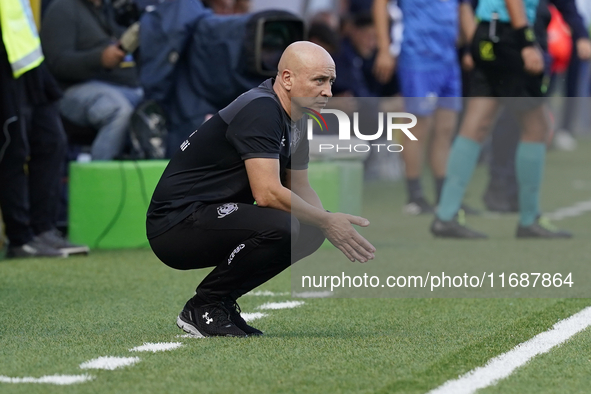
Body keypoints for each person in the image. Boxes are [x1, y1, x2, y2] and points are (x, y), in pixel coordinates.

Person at [147, 42, 376, 337]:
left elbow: (299, 186)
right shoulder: (261, 108)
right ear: (288, 79)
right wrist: (326, 220)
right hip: (175, 224)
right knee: (285, 225)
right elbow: (267, 193)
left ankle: (221, 303)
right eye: (319, 80)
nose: (328, 91)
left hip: (207, 216)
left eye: (330, 81)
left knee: (310, 227)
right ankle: (203, 305)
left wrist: (328, 223)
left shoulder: (298, 118)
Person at [430, 0, 572, 239]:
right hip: (510, 35)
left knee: (476, 125)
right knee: (537, 127)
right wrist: (526, 42)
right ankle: (529, 219)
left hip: (489, 31)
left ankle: (445, 215)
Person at [0, 0, 89, 258]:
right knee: (13, 149)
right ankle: (20, 238)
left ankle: (43, 230)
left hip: (28, 58)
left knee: (52, 140)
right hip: (6, 63)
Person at [373, 0, 476, 215]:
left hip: (448, 59)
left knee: (446, 129)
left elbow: (463, 9)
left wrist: (474, 48)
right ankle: (415, 195)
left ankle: (443, 196)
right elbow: (380, 4)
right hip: (418, 57)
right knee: (418, 127)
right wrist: (385, 48)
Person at [40, 0, 144, 161]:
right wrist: (99, 59)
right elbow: (57, 64)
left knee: (153, 107)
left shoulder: (106, 9)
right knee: (118, 111)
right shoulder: (62, 8)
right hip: (71, 90)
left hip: (122, 87)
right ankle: (100, 178)